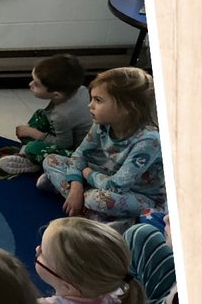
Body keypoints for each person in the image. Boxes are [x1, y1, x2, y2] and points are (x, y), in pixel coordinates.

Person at [40, 67, 165, 225]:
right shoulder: (102, 123)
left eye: (98, 100)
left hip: (141, 196)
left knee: (98, 200)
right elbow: (79, 155)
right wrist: (77, 186)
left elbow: (116, 186)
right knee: (50, 160)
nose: (90, 106)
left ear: (127, 107)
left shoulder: (148, 141)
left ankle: (82, 203)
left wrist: (86, 174)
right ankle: (80, 200)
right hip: (104, 176)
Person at [0, 54, 91, 175]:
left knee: (33, 147)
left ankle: (34, 161)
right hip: (66, 131)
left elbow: (64, 144)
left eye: (36, 84)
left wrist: (33, 133)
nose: (30, 85)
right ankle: (29, 154)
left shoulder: (62, 115)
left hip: (76, 152)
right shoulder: (80, 89)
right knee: (40, 115)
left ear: (56, 95)